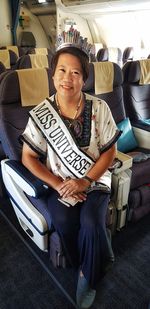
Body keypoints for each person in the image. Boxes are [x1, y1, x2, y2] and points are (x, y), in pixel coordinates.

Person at [21, 28, 121, 308]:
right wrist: (58, 184)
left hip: (95, 178)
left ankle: (86, 277)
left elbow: (110, 150)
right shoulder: (42, 113)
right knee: (64, 222)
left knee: (90, 222)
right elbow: (29, 157)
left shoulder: (99, 108)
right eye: (62, 71)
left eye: (76, 72)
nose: (68, 78)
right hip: (60, 183)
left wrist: (85, 181)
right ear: (52, 76)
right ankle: (99, 255)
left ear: (84, 79)